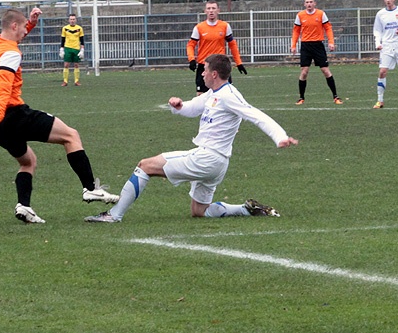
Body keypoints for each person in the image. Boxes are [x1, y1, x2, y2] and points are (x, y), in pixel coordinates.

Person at [86, 53, 297, 223]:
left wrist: (280, 136)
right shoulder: (212, 93)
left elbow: (256, 115)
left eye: (204, 69)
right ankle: (245, 210)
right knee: (199, 211)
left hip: (207, 158)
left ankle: (114, 215)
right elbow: (191, 108)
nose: (202, 73)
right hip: (216, 164)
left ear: (214, 74)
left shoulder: (229, 95)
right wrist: (178, 106)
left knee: (145, 165)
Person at [0, 7, 118, 224]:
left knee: (28, 162)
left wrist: (31, 22)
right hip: (12, 115)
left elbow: (11, 47)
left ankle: (24, 206)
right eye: (24, 26)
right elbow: (3, 84)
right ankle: (91, 189)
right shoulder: (12, 53)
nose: (26, 30)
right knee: (71, 135)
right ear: (14, 26)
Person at [187, 0, 246, 95]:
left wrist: (239, 63)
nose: (211, 11)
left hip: (220, 65)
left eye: (213, 8)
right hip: (204, 65)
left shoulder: (225, 26)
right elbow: (191, 45)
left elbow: (232, 44)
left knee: (226, 94)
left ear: (218, 10)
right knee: (201, 96)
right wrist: (191, 59)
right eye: (209, 8)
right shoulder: (199, 28)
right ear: (205, 11)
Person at [291, 0, 342, 105]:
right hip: (306, 46)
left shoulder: (321, 14)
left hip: (318, 45)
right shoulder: (300, 15)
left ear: (314, 3)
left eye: (311, 2)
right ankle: (301, 98)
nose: (309, 4)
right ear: (304, 4)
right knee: (304, 72)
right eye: (307, 2)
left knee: (325, 71)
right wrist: (293, 45)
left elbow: (328, 28)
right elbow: (296, 31)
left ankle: (335, 96)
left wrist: (331, 42)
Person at [59, 13, 84, 86]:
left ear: (75, 20)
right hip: (67, 48)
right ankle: (65, 81)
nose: (72, 21)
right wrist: (61, 49)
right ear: (68, 20)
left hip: (76, 48)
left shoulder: (79, 28)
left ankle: (76, 81)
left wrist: (82, 49)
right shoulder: (65, 28)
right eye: (71, 19)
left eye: (73, 19)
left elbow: (82, 39)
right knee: (66, 65)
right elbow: (63, 39)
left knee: (76, 64)